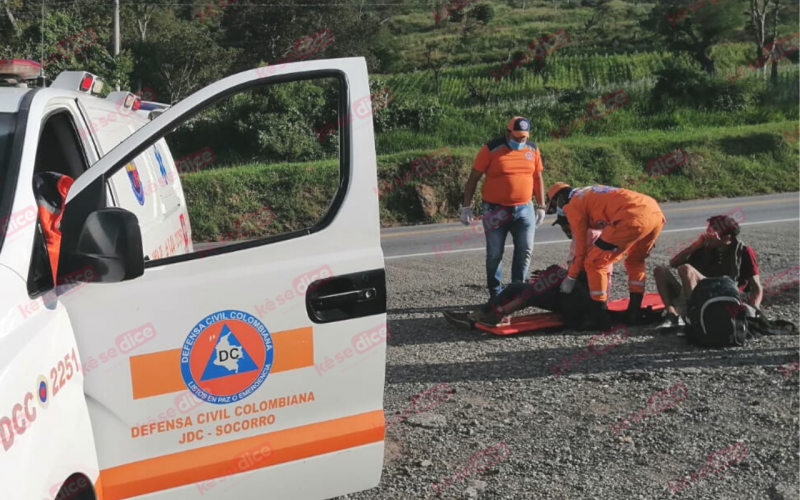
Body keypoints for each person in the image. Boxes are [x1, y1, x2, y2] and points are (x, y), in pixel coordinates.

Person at [442, 216, 616, 330]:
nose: (565, 231)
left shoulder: (594, 237)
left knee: (544, 283)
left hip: (587, 299)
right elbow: (573, 266)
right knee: (517, 286)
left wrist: (558, 275)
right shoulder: (579, 238)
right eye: (564, 227)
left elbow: (590, 271)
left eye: (566, 226)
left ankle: (499, 313)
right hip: (569, 293)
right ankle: (476, 316)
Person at [547, 183, 666, 330]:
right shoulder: (588, 193)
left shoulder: (572, 204)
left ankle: (600, 318)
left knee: (595, 261)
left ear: (559, 198)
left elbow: (581, 247)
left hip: (631, 216)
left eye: (554, 206)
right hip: (655, 212)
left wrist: (571, 276)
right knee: (635, 260)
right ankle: (634, 312)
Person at [460, 116, 546, 299]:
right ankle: (496, 294)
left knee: (524, 251)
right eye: (516, 137)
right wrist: (466, 207)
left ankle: (516, 293)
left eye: (523, 137)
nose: (520, 141)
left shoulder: (532, 149)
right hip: (495, 210)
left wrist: (541, 206)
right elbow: (473, 179)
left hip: (524, 208)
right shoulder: (491, 149)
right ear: (507, 132)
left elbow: (537, 178)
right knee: (494, 254)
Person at [653, 214, 763, 330]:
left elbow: (756, 286)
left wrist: (755, 308)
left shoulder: (743, 251)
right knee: (660, 271)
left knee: (686, 269)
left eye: (712, 234)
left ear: (726, 237)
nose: (707, 236)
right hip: (700, 290)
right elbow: (673, 263)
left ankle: (693, 316)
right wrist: (695, 246)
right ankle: (673, 315)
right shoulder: (704, 247)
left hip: (723, 292)